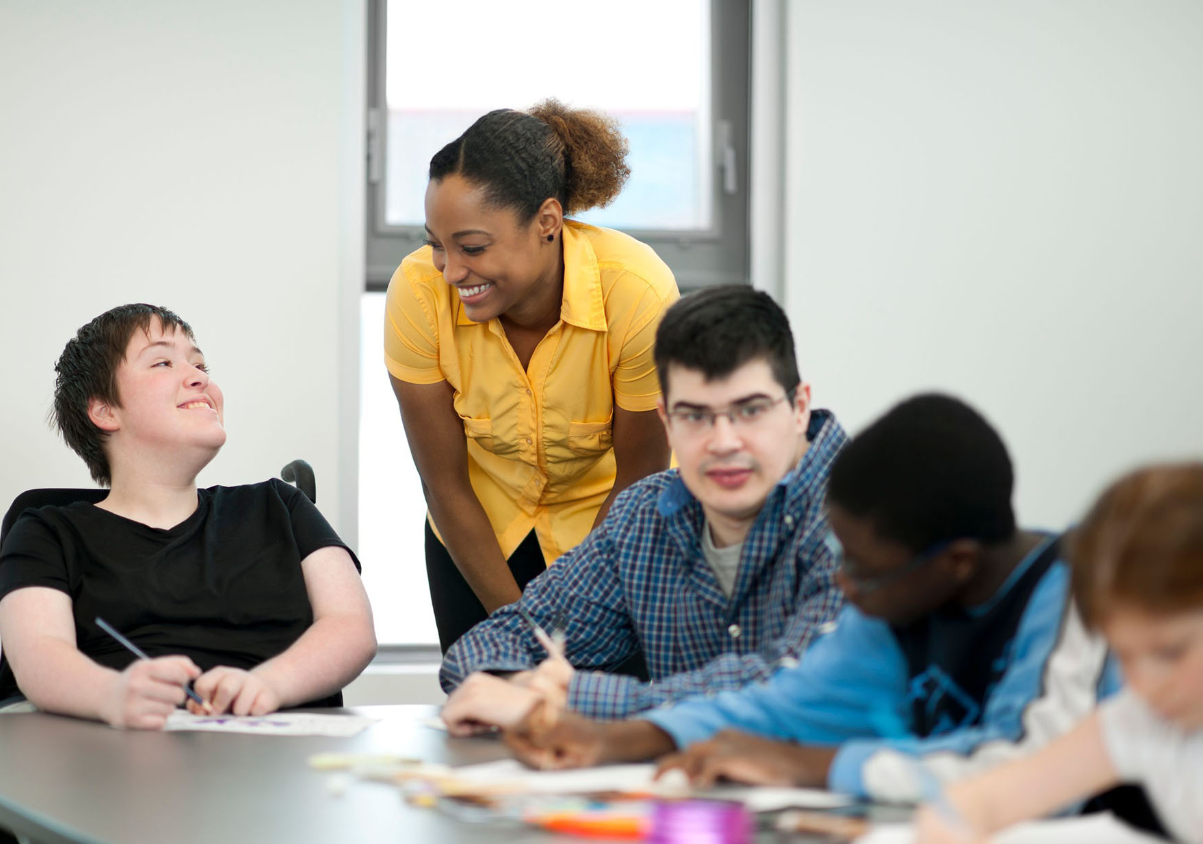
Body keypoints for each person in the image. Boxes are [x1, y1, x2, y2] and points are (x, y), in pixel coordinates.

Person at [501, 394, 1120, 804]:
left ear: (956, 563)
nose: (843, 582)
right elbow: (783, 707)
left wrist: (806, 767)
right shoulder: (898, 604)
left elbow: (1031, 767)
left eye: (863, 569)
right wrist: (625, 741)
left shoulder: (1080, 596)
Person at [0, 303, 378, 844]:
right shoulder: (47, 532)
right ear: (104, 411)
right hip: (114, 751)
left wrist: (269, 684)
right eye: (164, 362)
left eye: (200, 362)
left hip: (266, 743)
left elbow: (351, 628)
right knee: (51, 757)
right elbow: (38, 655)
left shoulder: (279, 507)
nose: (198, 375)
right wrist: (115, 697)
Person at [439, 285, 849, 728]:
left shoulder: (867, 513)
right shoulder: (647, 516)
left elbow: (797, 688)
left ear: (800, 406)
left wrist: (561, 699)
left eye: (749, 411)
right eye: (695, 416)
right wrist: (518, 687)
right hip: (691, 791)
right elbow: (498, 642)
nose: (724, 442)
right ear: (667, 422)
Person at [385, 100, 678, 652]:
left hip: (611, 528)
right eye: (436, 245)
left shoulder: (636, 292)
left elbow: (639, 481)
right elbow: (445, 483)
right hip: (478, 531)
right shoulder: (418, 291)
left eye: (471, 247)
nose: (450, 270)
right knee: (486, 715)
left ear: (547, 222)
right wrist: (519, 629)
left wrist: (576, 619)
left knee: (599, 718)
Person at [911, 463, 1203, 844]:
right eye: (1123, 654)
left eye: (1170, 652)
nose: (1143, 684)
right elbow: (980, 800)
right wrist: (943, 836)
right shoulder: (1141, 721)